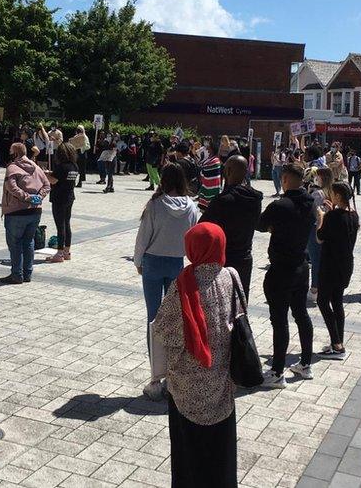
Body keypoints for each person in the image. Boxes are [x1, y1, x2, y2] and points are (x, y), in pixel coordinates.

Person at [152, 222, 238, 488]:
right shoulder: (230, 276)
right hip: (222, 380)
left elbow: (165, 330)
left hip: (188, 387)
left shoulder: (183, 284)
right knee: (221, 451)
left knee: (189, 456)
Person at [134, 164, 198, 399]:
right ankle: (173, 374)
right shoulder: (192, 206)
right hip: (176, 264)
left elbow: (143, 236)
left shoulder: (154, 204)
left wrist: (137, 261)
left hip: (152, 261)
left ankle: (155, 377)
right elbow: (193, 236)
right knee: (175, 319)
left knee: (153, 318)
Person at [259, 163, 316, 383]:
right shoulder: (310, 203)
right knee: (301, 314)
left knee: (280, 320)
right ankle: (306, 364)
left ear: (284, 179)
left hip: (281, 268)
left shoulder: (279, 205)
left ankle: (277, 372)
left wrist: (275, 227)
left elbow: (261, 224)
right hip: (301, 267)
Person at [200, 156, 263, 298]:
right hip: (245, 258)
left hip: (223, 259)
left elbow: (202, 228)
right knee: (240, 303)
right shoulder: (255, 199)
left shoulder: (222, 200)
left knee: (221, 304)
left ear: (227, 171)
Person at [315, 181, 358, 359]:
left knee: (323, 301)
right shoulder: (354, 215)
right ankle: (338, 342)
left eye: (332, 193)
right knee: (337, 302)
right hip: (346, 264)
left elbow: (319, 237)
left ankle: (337, 344)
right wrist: (331, 212)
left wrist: (322, 216)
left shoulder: (332, 217)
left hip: (330, 264)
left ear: (338, 196)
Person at [0, 142, 51, 284]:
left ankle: (17, 274)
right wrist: (39, 197)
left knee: (15, 243)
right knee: (29, 242)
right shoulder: (36, 167)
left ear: (14, 153)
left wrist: (26, 197)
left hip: (16, 210)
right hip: (35, 210)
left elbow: (11, 187)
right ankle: (27, 273)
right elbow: (47, 184)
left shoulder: (12, 167)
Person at [46, 143, 79, 263]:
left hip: (59, 198)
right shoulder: (74, 166)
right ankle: (66, 251)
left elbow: (53, 180)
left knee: (60, 226)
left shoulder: (61, 167)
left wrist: (45, 175)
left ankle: (59, 253)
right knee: (67, 224)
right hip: (70, 197)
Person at [307, 167, 333, 302]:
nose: (315, 178)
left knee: (315, 259)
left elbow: (312, 212)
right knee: (324, 260)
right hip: (329, 230)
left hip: (316, 229)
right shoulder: (333, 191)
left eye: (317, 176)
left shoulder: (317, 194)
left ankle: (314, 289)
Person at [197, 142, 223, 210]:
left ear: (212, 149)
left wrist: (201, 170)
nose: (207, 149)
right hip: (206, 188)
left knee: (210, 210)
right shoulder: (209, 159)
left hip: (211, 189)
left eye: (208, 148)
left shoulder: (215, 161)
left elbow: (204, 173)